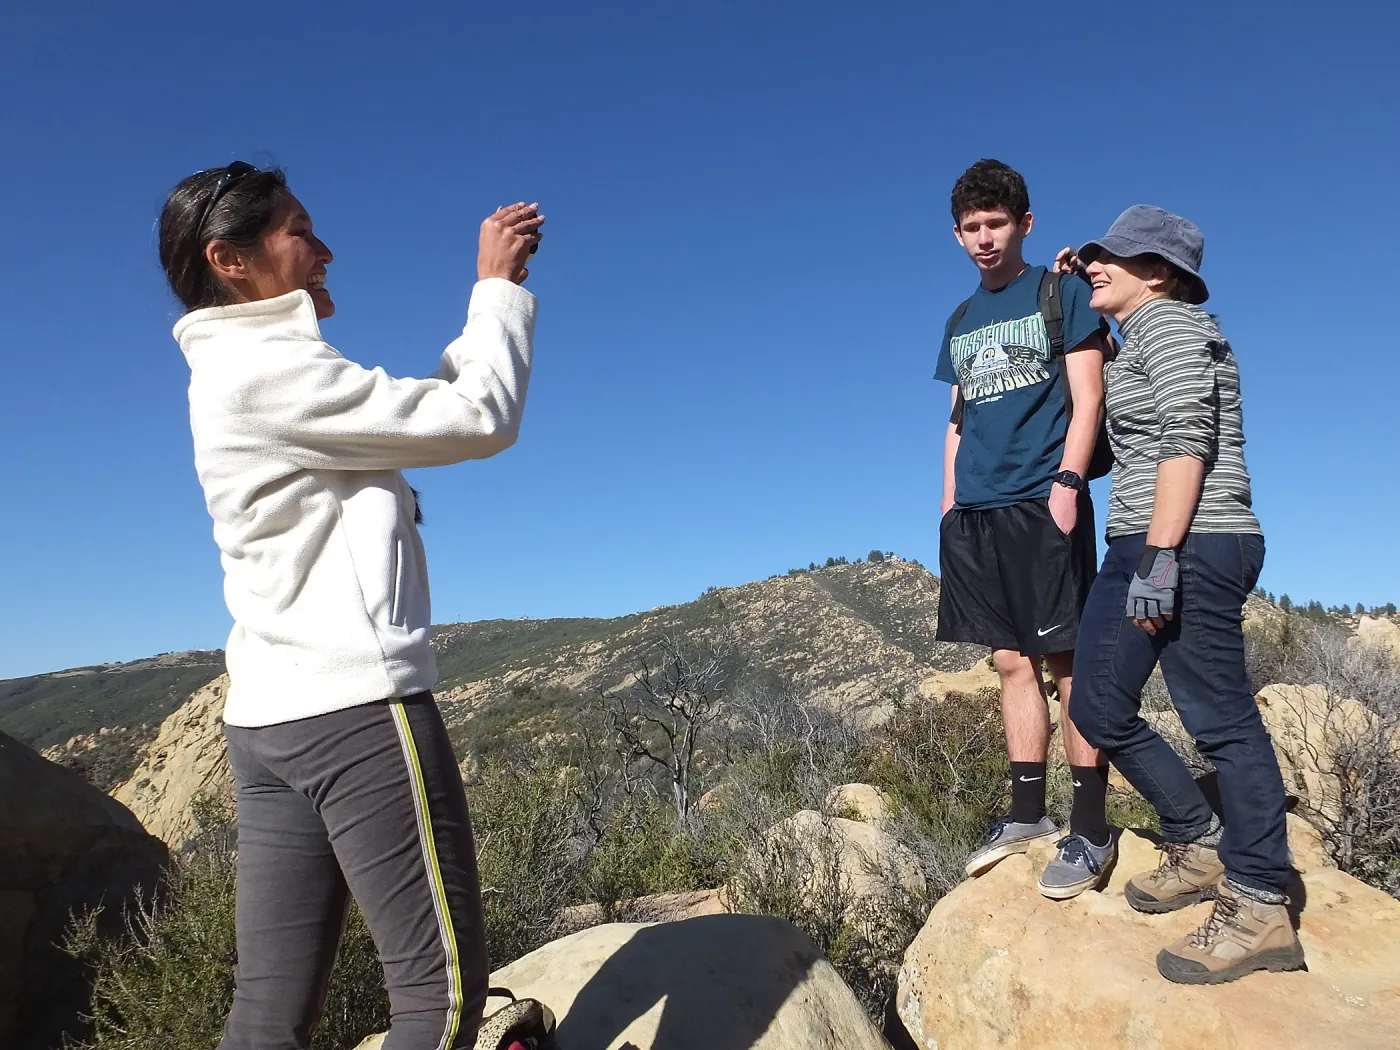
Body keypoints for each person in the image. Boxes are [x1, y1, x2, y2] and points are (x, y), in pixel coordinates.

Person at [159, 161, 544, 1048]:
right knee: (439, 1000)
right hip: (354, 713)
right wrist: (493, 291)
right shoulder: (268, 373)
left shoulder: (236, 375)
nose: (325, 249)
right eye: (299, 230)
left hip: (268, 722)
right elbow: (478, 417)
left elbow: (430, 413)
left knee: (266, 1012)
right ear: (231, 259)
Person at [1061, 205, 1304, 984]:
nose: (1097, 264)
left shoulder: (1169, 325)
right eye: (1094, 254)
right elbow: (1112, 440)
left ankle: (1263, 900)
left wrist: (1161, 558)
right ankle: (1196, 839)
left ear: (1158, 273)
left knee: (1220, 718)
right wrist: (1078, 285)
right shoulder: (1137, 337)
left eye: (1113, 258)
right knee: (1097, 704)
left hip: (1192, 539)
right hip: (1141, 540)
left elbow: (1186, 442)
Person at [934, 160, 1116, 899]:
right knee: (1012, 664)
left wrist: (1069, 483)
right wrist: (948, 504)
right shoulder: (959, 321)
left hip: (1044, 501)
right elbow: (957, 419)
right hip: (976, 513)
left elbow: (1089, 393)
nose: (984, 239)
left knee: (1069, 663)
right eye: (971, 228)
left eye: (996, 224)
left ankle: (1093, 826)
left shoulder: (1061, 291)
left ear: (1024, 224)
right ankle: (1026, 815)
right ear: (957, 234)